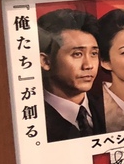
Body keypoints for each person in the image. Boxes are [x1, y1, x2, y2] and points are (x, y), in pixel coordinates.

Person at [38, 8, 106, 142]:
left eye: (94, 54)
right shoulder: (34, 120)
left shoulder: (110, 108)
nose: (89, 65)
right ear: (45, 61)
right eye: (77, 54)